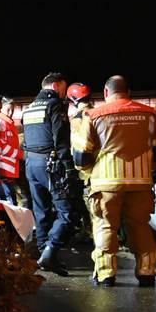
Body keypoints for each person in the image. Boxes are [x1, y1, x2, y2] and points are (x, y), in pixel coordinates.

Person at [76, 76, 156, 287]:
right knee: (140, 226)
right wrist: (148, 169)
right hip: (141, 182)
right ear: (129, 91)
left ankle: (106, 274)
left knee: (106, 226)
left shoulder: (94, 115)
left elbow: (81, 156)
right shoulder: (150, 114)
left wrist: (89, 172)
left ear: (106, 92)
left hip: (106, 183)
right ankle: (147, 272)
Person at [21, 72, 78, 274]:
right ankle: (50, 250)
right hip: (51, 165)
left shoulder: (29, 109)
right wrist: (69, 168)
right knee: (67, 211)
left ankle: (44, 254)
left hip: (31, 164)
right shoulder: (55, 105)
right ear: (55, 86)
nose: (64, 92)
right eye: (64, 88)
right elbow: (61, 138)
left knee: (41, 211)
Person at [66, 82, 96, 244]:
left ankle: (94, 235)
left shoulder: (78, 119)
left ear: (73, 100)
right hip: (102, 167)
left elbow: (80, 149)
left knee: (91, 205)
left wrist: (79, 169)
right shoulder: (97, 113)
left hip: (87, 170)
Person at [0, 96, 25, 206]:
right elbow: (2, 147)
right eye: (8, 110)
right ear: (0, 108)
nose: (10, 113)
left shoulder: (9, 123)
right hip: (4, 167)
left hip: (10, 167)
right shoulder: (0, 123)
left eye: (12, 110)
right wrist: (22, 155)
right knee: (10, 198)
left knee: (15, 197)